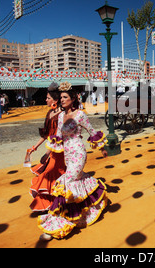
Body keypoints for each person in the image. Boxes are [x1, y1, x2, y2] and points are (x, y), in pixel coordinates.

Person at [37, 81, 108, 241]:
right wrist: (48, 154)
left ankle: (59, 224)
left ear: (73, 99)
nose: (61, 100)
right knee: (76, 181)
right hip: (68, 155)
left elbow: (91, 131)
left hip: (78, 152)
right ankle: (92, 205)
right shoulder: (61, 116)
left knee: (67, 183)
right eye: (60, 97)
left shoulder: (80, 115)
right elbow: (58, 137)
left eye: (64, 97)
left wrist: (102, 148)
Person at [28, 82, 65, 212]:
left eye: (48, 98)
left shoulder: (62, 114)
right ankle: (53, 203)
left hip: (59, 150)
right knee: (54, 176)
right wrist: (35, 147)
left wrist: (47, 153)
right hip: (52, 149)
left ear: (55, 100)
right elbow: (46, 134)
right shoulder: (50, 113)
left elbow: (58, 136)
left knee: (49, 174)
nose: (46, 100)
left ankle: (54, 204)